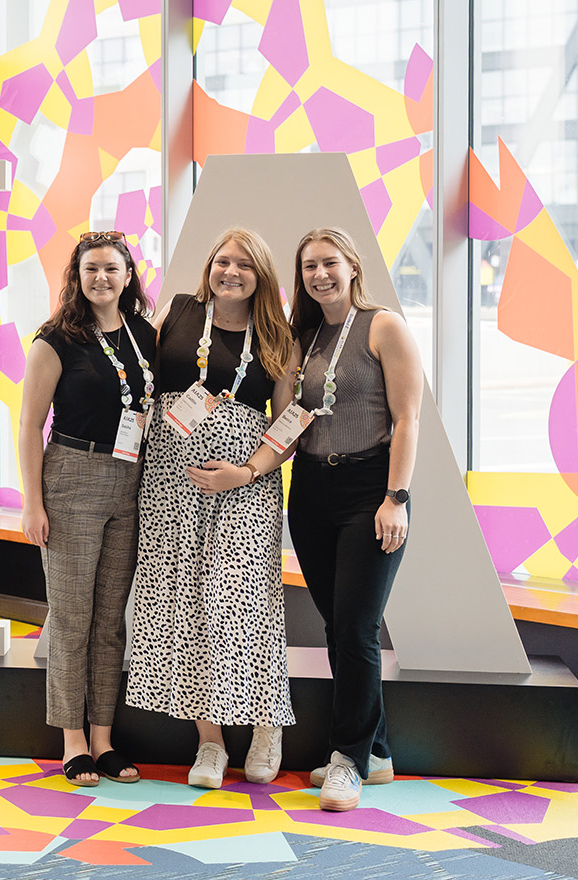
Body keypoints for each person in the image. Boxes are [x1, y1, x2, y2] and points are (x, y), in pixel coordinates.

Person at [123, 228, 299, 789]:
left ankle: (268, 724)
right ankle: (210, 743)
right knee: (185, 609)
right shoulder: (178, 314)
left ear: (261, 276)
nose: (230, 271)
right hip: (170, 486)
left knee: (244, 604)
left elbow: (289, 423)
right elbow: (142, 381)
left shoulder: (278, 337)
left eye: (245, 265)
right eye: (222, 260)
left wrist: (245, 472)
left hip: (244, 486)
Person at [285, 226, 422, 812]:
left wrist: (397, 497)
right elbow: (291, 415)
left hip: (370, 488)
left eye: (329, 263)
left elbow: (407, 417)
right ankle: (379, 752)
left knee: (359, 626)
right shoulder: (305, 336)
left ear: (352, 266)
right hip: (312, 489)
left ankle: (347, 760)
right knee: (338, 628)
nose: (320, 274)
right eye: (310, 265)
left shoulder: (383, 325)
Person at [18, 231, 156, 787]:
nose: (102, 278)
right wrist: (33, 503)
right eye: (91, 269)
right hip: (73, 476)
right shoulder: (56, 339)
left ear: (128, 276)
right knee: (71, 618)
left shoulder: (143, 334)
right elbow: (30, 426)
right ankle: (71, 740)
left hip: (131, 479)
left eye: (112, 269)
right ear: (77, 277)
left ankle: (103, 738)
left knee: (109, 622)